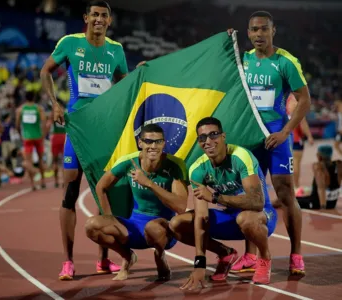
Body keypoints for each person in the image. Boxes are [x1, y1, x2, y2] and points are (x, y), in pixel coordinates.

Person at [40, 0, 129, 280]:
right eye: (95, 15)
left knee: (105, 193)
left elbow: (125, 85)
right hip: (77, 127)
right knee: (69, 192)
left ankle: (103, 259)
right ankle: (68, 261)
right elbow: (45, 72)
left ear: (109, 21)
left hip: (104, 132)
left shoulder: (116, 50)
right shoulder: (70, 43)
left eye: (104, 16)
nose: (99, 19)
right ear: (86, 18)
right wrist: (55, 105)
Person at [228, 10, 310, 275]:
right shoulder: (243, 60)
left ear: (273, 31)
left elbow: (304, 100)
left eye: (264, 29)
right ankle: (250, 255)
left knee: (285, 193)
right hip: (248, 136)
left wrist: (286, 132)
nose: (258, 34)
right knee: (250, 195)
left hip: (276, 135)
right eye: (253, 30)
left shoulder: (286, 62)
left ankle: (296, 255)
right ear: (248, 33)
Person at [169, 117, 277, 288]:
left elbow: (257, 202)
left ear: (223, 136)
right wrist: (200, 263)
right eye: (202, 138)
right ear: (198, 142)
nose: (208, 141)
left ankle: (264, 257)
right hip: (231, 217)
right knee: (177, 223)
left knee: (246, 218)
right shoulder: (198, 169)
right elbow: (201, 218)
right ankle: (225, 253)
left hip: (262, 216)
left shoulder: (241, 156)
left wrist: (215, 198)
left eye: (213, 135)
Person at [85, 124, 188, 281]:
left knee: (152, 227)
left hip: (163, 228)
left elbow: (180, 207)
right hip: (134, 225)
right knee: (91, 226)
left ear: (164, 143)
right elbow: (101, 187)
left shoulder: (175, 165)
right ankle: (127, 256)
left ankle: (160, 256)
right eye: (148, 141)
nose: (153, 146)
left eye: (158, 142)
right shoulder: (129, 162)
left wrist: (149, 184)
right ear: (140, 143)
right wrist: (109, 217)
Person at [15, 91, 46, 191]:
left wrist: (21, 134)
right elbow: (44, 122)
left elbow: (17, 124)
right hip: (38, 137)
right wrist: (43, 135)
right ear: (34, 98)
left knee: (28, 161)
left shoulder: (20, 109)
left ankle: (33, 184)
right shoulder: (38, 108)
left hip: (27, 137)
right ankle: (43, 182)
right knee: (40, 160)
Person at [296, 145, 341, 210]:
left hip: (316, 203)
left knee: (285, 200)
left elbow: (321, 188)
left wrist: (323, 208)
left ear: (319, 155)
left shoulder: (319, 167)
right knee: (295, 198)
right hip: (332, 203)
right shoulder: (338, 165)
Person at [286, 94, 314, 194]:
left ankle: (294, 186)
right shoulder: (296, 100)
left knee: (292, 163)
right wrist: (309, 136)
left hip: (290, 136)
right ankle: (295, 187)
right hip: (296, 138)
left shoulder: (289, 99)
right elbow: (302, 121)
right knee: (296, 163)